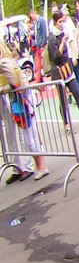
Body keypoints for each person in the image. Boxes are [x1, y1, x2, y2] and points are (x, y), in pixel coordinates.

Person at [0, 38, 48, 181]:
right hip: (22, 97)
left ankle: (40, 165)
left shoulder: (4, 62)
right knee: (29, 133)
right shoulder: (7, 61)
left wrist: (2, 89)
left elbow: (15, 83)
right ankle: (39, 165)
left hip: (21, 98)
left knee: (28, 135)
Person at [50, 13, 79, 128]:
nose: (62, 25)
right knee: (63, 100)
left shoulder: (62, 34)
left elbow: (65, 53)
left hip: (67, 68)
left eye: (63, 22)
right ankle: (66, 124)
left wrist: (72, 58)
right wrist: (63, 43)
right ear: (55, 22)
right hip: (58, 72)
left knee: (76, 92)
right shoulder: (52, 38)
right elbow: (55, 56)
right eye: (60, 22)